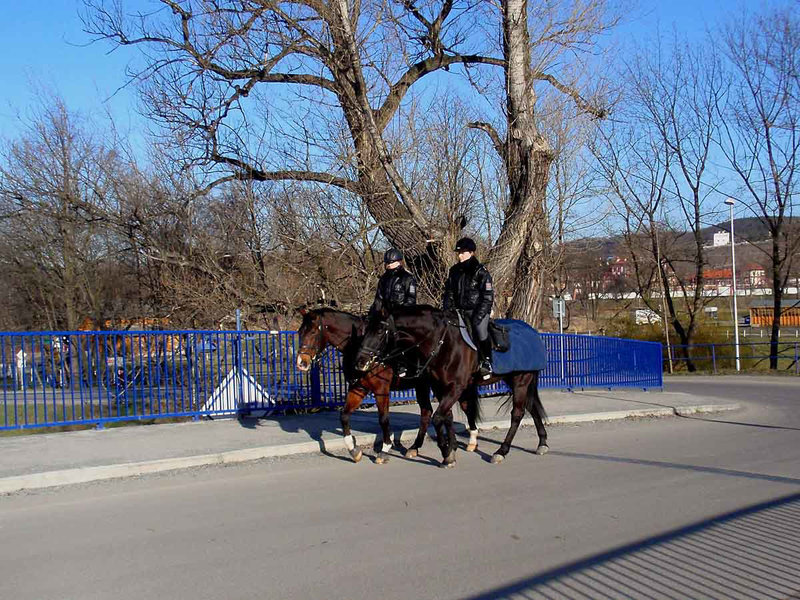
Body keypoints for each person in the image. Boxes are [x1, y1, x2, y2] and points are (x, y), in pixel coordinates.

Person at [442, 237, 494, 379]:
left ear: (471, 253)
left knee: (480, 331)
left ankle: (486, 362)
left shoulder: (481, 272)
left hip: (477, 311)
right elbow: (449, 293)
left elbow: (487, 297)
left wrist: (478, 316)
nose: (459, 256)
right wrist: (447, 310)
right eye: (458, 253)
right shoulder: (454, 271)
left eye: (463, 252)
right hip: (459, 311)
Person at [369, 248, 418, 376]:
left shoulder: (408, 278)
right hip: (387, 315)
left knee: (397, 334)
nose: (389, 264)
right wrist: (374, 313)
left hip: (404, 314)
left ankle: (403, 363)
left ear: (399, 262)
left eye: (392, 262)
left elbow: (411, 299)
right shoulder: (383, 279)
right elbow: (378, 299)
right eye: (387, 262)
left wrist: (399, 313)